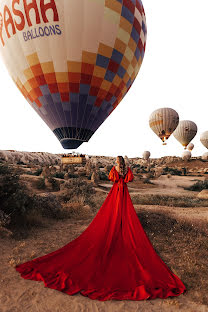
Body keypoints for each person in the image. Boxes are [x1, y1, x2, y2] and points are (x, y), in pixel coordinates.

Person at [15, 156, 186, 301]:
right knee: (123, 213)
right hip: (123, 191)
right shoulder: (126, 170)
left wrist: (114, 170)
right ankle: (121, 227)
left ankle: (115, 226)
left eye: (117, 162)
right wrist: (123, 173)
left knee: (111, 213)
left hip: (115, 191)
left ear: (117, 162)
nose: (117, 163)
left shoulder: (115, 169)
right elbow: (129, 179)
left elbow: (111, 178)